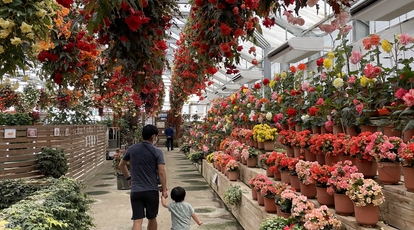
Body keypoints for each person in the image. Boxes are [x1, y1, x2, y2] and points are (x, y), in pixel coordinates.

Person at [119, 124, 167, 230]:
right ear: (153, 136)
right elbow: (161, 172)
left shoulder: (132, 149)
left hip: (136, 191)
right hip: (151, 190)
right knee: (152, 218)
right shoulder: (157, 151)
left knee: (137, 220)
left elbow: (121, 165)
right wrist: (164, 189)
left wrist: (128, 178)